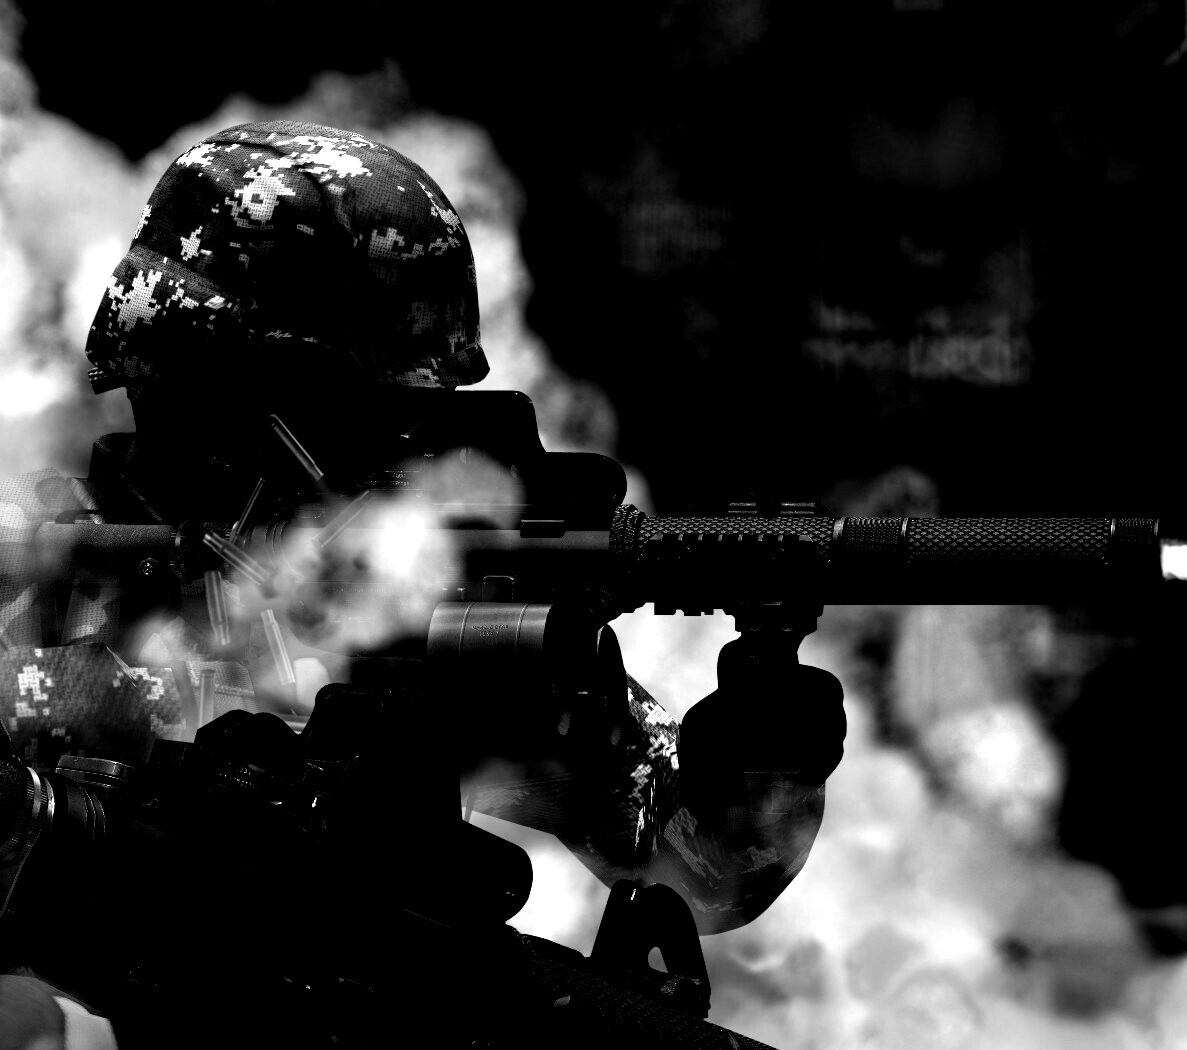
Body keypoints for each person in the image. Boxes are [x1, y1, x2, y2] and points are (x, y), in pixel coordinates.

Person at [0, 120, 845, 1042]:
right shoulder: (41, 600)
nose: (409, 448)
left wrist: (765, 754)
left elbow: (694, 866)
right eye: (364, 411)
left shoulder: (423, 621)